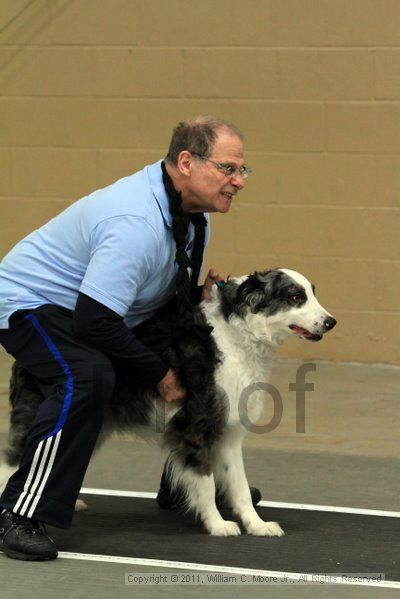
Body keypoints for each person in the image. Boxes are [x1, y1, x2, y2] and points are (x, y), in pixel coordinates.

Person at [0, 116, 260, 562]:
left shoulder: (194, 216)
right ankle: (19, 512)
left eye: (242, 171)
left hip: (94, 309)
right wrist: (159, 375)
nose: (238, 181)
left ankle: (182, 481)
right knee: (87, 375)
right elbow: (94, 323)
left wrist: (199, 296)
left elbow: (159, 298)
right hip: (30, 303)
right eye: (228, 169)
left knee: (190, 351)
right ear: (186, 162)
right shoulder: (135, 221)